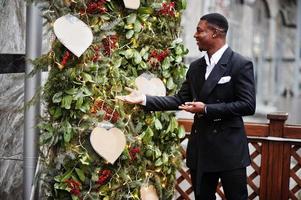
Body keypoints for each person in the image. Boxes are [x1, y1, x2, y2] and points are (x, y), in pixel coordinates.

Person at [117, 13, 256, 200]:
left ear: (215, 33)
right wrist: (144, 99)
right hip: (201, 149)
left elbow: (248, 105)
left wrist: (206, 109)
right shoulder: (196, 67)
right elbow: (179, 100)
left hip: (229, 150)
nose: (195, 35)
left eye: (200, 30)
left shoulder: (240, 64)